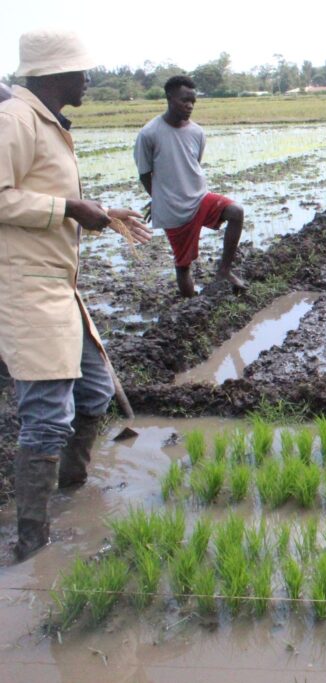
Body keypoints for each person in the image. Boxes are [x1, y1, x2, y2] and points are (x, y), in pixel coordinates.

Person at [0, 29, 152, 560]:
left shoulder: (47, 122)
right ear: (52, 73)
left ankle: (71, 493)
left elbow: (45, 194)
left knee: (92, 394)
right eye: (81, 70)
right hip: (25, 289)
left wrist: (101, 214)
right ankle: (31, 539)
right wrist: (69, 210)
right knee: (47, 415)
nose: (88, 79)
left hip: (59, 287)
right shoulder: (14, 120)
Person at [134, 75, 247, 298]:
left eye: (193, 101)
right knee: (184, 266)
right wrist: (159, 199)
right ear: (169, 97)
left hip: (200, 198)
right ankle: (190, 305)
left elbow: (193, 166)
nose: (189, 106)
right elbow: (144, 173)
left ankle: (224, 270)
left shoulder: (197, 132)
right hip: (174, 210)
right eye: (184, 100)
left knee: (236, 212)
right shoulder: (149, 134)